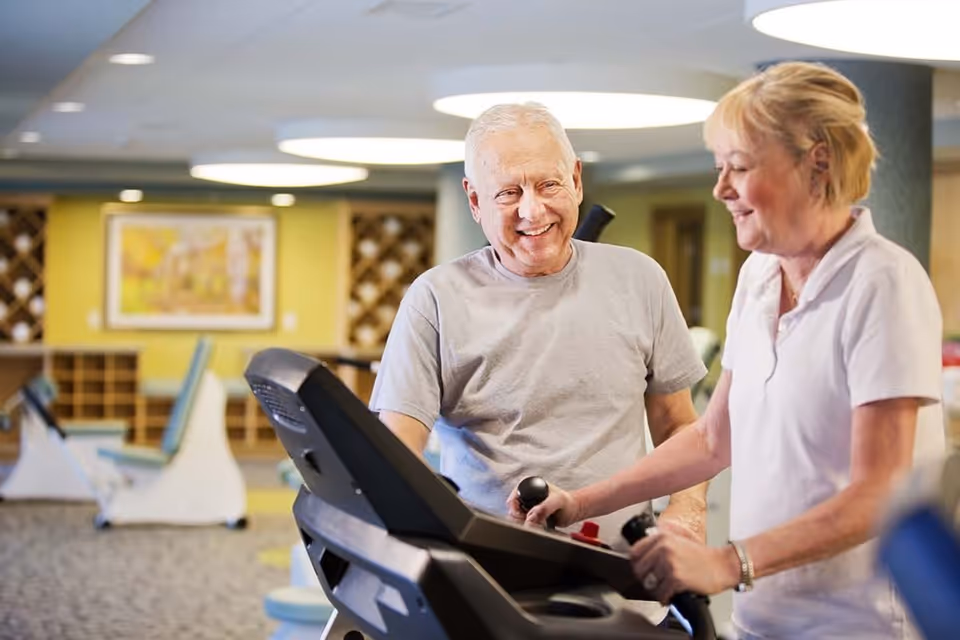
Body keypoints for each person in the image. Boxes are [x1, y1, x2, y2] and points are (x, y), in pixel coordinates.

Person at [511, 61, 945, 639]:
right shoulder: (761, 277)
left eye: (738, 167)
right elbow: (716, 437)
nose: (721, 189)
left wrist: (726, 561)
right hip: (764, 618)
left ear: (817, 162)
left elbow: (878, 496)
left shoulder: (882, 283)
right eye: (720, 168)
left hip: (859, 624)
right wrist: (581, 501)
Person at [369, 102, 709, 550]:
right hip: (486, 570)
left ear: (576, 179)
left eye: (549, 184)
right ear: (474, 200)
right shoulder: (435, 298)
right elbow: (397, 452)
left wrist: (686, 510)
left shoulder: (640, 279)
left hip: (625, 572)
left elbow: (678, 426)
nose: (533, 211)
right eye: (508, 193)